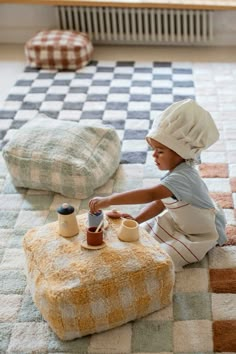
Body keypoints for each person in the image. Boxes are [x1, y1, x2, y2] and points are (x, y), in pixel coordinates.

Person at [89, 99, 227, 271]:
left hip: (200, 233)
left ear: (181, 152)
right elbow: (159, 203)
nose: (154, 155)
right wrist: (137, 221)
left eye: (160, 151)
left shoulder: (183, 177)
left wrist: (109, 200)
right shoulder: (177, 173)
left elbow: (150, 195)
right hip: (182, 221)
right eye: (154, 150)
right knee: (145, 232)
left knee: (161, 258)